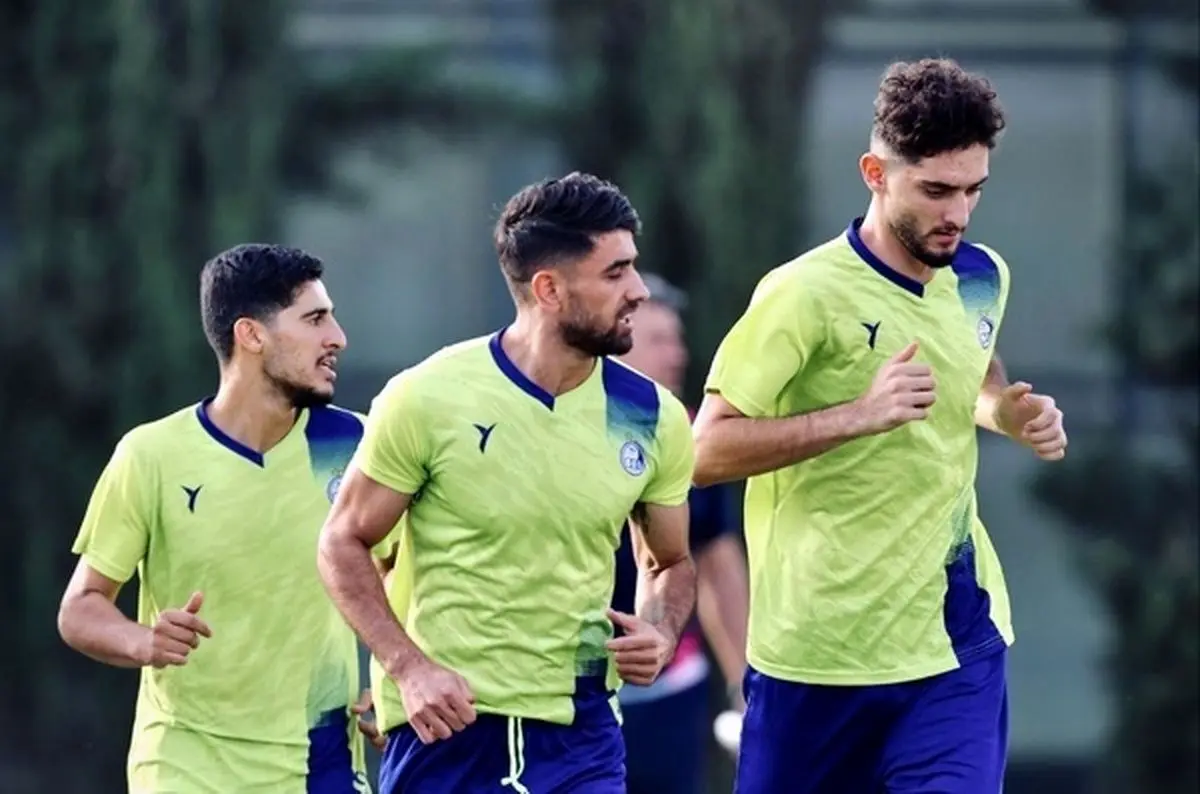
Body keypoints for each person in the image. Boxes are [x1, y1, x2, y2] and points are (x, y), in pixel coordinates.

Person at [692, 58, 1068, 794]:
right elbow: (704, 451)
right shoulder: (802, 294)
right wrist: (856, 416)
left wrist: (1005, 413)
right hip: (813, 658)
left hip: (953, 644)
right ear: (875, 173)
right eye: (935, 191)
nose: (958, 214)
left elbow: (972, 372)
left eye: (973, 190)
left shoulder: (981, 275)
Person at [316, 172, 698, 794]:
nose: (636, 291)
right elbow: (342, 541)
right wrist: (408, 668)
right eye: (615, 273)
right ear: (548, 289)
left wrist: (659, 630)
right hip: (448, 731)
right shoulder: (428, 397)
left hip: (581, 737)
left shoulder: (653, 416)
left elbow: (670, 561)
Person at [57, 244, 381, 794]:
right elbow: (81, 608)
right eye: (315, 319)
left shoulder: (356, 444)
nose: (338, 338)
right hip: (187, 765)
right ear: (251, 335)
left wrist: (396, 670)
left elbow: (398, 569)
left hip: (320, 759)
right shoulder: (151, 456)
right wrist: (143, 641)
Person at [613, 273, 749, 793]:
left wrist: (744, 683)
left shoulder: (690, 438)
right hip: (567, 691)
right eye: (658, 340)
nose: (678, 355)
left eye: (678, 340)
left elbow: (717, 564)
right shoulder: (555, 432)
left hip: (670, 688)